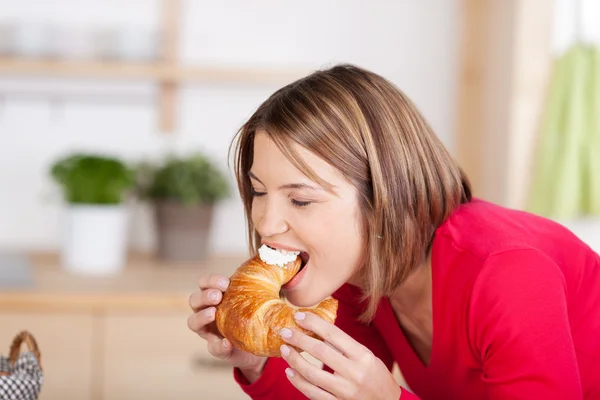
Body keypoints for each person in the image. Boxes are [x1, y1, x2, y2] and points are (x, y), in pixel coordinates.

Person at [187, 64, 600, 399]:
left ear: (384, 194)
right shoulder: (362, 271)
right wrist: (256, 362)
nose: (265, 223)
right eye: (259, 191)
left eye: (300, 200)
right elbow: (331, 388)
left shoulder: (507, 273)